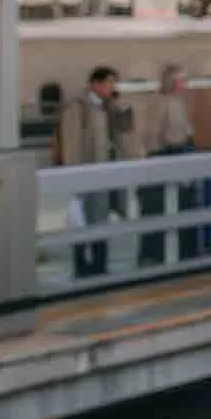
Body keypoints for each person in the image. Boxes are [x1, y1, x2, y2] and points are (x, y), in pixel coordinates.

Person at [55, 66, 135, 279]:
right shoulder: (77, 108)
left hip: (107, 172)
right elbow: (71, 144)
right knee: (82, 220)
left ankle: (100, 265)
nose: (112, 87)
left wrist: (122, 111)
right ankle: (82, 267)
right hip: (87, 172)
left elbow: (125, 134)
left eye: (114, 83)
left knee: (101, 219)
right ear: (94, 84)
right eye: (108, 83)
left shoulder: (109, 106)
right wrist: (75, 176)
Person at [137, 65, 199, 266]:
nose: (184, 84)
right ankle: (155, 256)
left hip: (180, 157)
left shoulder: (179, 101)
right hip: (164, 159)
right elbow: (153, 135)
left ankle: (183, 252)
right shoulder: (159, 102)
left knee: (184, 207)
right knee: (157, 209)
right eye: (180, 80)